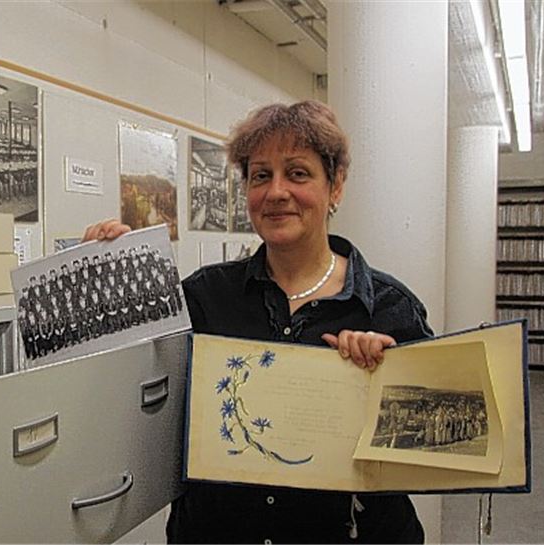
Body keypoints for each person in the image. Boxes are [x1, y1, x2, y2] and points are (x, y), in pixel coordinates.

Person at [81, 101, 432, 543]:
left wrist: (385, 378)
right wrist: (108, 275)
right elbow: (128, 389)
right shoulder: (204, 297)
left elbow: (429, 447)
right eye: (261, 176)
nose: (276, 192)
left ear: (336, 186)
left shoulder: (387, 308)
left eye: (298, 173)